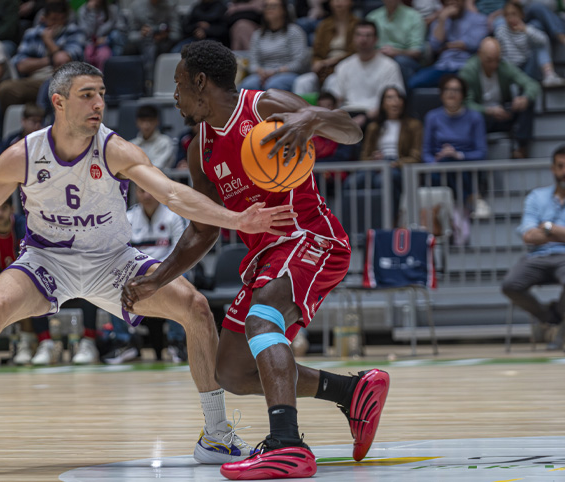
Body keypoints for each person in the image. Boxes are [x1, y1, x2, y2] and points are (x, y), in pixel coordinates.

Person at [0, 61, 296, 472]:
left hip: (113, 261)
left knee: (197, 308)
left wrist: (236, 220)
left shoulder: (115, 149)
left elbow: (173, 194)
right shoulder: (23, 155)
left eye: (102, 95)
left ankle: (217, 435)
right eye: (86, 95)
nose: (98, 105)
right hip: (47, 259)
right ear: (58, 102)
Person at [121, 41, 389, 479]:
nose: (174, 96)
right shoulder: (199, 148)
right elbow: (204, 228)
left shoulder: (265, 107)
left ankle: (287, 445)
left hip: (309, 236)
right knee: (233, 370)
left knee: (263, 320)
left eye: (178, 84)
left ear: (200, 82)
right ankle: (351, 390)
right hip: (265, 256)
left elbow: (350, 130)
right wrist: (157, 279)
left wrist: (311, 117)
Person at [104, 183, 188, 364]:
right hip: (136, 273)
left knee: (182, 278)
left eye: (150, 189)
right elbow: (121, 253)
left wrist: (157, 274)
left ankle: (176, 342)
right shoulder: (128, 218)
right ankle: (124, 342)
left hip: (166, 272)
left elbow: (179, 254)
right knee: (109, 281)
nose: (147, 194)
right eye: (142, 190)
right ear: (137, 194)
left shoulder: (173, 217)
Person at [502, 144, 565, 352]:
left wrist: (549, 227)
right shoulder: (536, 197)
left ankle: (557, 322)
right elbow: (529, 236)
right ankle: (553, 318)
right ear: (553, 169)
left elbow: (538, 231)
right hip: (536, 257)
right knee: (510, 285)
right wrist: (563, 233)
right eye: (561, 166)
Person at [0, 197, 50, 365]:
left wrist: (3, 278)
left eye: (3, 209)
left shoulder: (24, 226)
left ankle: (25, 343)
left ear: (11, 209)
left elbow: (30, 264)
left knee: (23, 285)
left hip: (23, 274)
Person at [458, 37, 541, 159]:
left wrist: (525, 98)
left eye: (497, 60)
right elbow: (466, 103)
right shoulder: (468, 71)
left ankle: (521, 147)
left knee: (528, 103)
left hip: (503, 113)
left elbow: (532, 84)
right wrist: (488, 111)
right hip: (481, 118)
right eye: (489, 60)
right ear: (479, 55)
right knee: (472, 116)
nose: (494, 65)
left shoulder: (503, 67)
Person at [0, 0, 86, 112]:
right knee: (5, 89)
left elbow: (64, 62)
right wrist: (50, 60)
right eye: (53, 19)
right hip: (34, 82)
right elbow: (21, 65)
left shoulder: (74, 32)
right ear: (44, 18)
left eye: (61, 19)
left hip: (62, 82)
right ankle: (23, 124)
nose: (57, 23)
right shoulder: (32, 34)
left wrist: (48, 41)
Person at [422, 74, 487, 220]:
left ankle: (457, 207)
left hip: (466, 166)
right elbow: (426, 152)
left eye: (456, 90)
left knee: (453, 163)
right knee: (445, 165)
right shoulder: (432, 117)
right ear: (441, 93)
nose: (451, 94)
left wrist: (458, 154)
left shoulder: (475, 117)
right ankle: (471, 199)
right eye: (447, 89)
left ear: (463, 95)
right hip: (439, 167)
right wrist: (435, 161)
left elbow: (481, 152)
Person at [327, 21, 405, 127]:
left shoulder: (390, 66)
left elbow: (394, 100)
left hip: (376, 116)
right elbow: (336, 98)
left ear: (376, 39)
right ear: (353, 38)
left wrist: (366, 117)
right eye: (359, 35)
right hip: (348, 114)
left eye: (368, 35)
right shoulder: (343, 66)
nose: (363, 39)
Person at [356, 86, 423, 204]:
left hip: (399, 166)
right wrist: (373, 159)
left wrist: (396, 163)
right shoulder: (374, 127)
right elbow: (364, 157)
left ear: (403, 102)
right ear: (382, 104)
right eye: (390, 98)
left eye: (398, 98)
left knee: (382, 180)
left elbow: (416, 156)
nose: (395, 102)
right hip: (377, 165)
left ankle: (389, 220)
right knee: (354, 182)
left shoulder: (414, 125)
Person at [407, 0, 488, 88]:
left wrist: (447, 46)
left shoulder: (479, 19)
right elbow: (434, 45)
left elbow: (473, 44)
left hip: (465, 67)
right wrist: (442, 20)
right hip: (442, 67)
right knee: (413, 83)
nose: (452, 2)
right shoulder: (442, 19)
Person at [238, 0, 309, 93]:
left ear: (284, 10)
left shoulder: (294, 32)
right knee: (247, 86)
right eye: (266, 7)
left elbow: (299, 62)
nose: (269, 10)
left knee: (273, 86)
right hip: (261, 74)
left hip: (287, 73)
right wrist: (259, 71)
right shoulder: (258, 34)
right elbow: (253, 62)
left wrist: (275, 72)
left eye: (273, 6)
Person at [292, 0, 358, 96]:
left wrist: (329, 62)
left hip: (346, 67)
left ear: (351, 2)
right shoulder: (324, 25)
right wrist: (316, 63)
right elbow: (317, 52)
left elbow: (354, 52)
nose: (338, 3)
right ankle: (301, 110)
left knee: (332, 81)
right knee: (302, 82)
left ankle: (330, 111)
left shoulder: (357, 24)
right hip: (323, 68)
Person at [494, 0, 565, 87]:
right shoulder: (501, 31)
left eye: (514, 14)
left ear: (522, 15)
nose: (511, 18)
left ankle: (549, 74)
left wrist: (526, 30)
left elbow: (544, 41)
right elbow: (502, 57)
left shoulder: (527, 29)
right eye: (507, 15)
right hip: (512, 69)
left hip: (528, 67)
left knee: (538, 42)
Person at [366, 0, 426, 83]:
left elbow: (416, 51)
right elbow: (365, 45)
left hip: (404, 59)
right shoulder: (373, 17)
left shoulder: (414, 17)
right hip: (377, 56)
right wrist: (377, 52)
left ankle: (400, 95)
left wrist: (397, 52)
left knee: (399, 61)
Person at [75, 0, 128, 71]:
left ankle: (105, 79)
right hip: (89, 43)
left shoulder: (112, 9)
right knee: (87, 54)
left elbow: (121, 30)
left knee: (103, 55)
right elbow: (86, 33)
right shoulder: (83, 11)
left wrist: (107, 39)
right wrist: (92, 13)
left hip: (109, 43)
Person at [130, 104, 175, 170]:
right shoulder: (131, 145)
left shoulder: (165, 142)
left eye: (150, 120)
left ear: (157, 121)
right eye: (143, 120)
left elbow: (158, 167)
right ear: (137, 122)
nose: (146, 125)